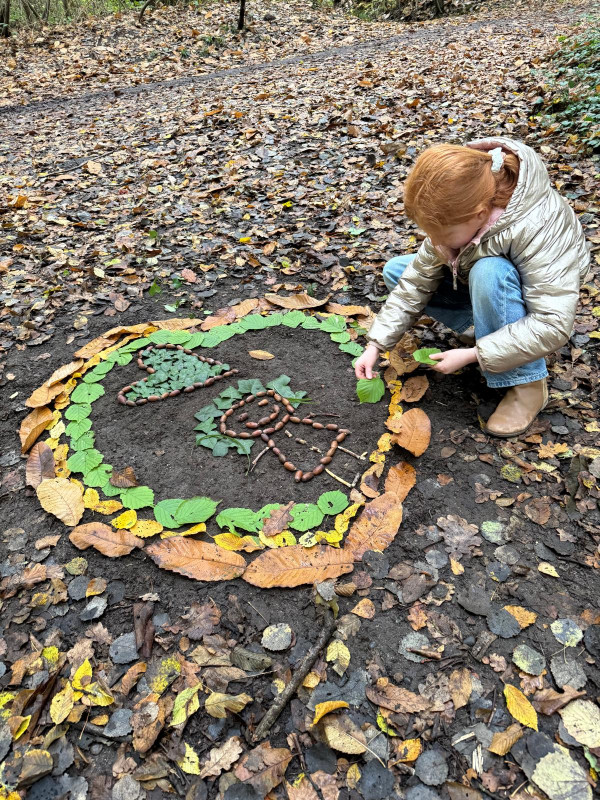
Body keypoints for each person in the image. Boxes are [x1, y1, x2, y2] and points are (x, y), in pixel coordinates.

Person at [355, 137, 590, 438]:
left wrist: (472, 355)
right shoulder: (463, 204)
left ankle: (527, 383)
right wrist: (376, 345)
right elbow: (415, 283)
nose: (434, 242)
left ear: (480, 215)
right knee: (399, 271)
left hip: (538, 303)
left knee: (489, 271)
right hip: (491, 284)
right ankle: (492, 334)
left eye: (441, 234)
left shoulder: (538, 225)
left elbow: (553, 322)